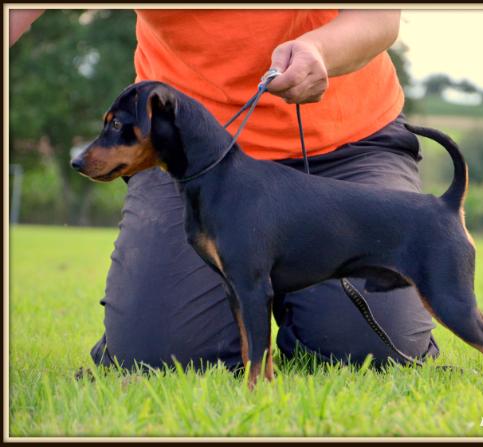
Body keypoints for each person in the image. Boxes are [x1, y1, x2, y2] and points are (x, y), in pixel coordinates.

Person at [10, 9, 439, 372]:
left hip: (345, 150)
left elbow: (380, 16)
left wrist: (320, 50)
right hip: (191, 165)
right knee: (157, 356)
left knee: (370, 352)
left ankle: (305, 303)